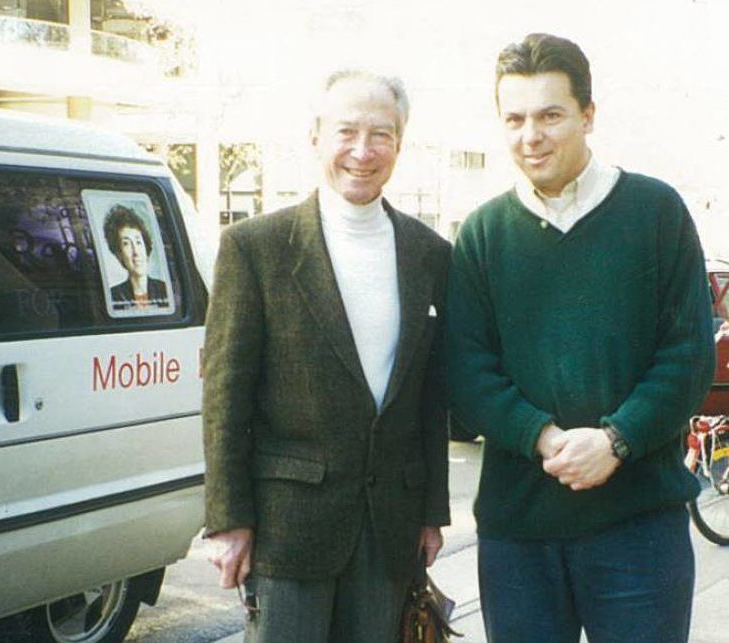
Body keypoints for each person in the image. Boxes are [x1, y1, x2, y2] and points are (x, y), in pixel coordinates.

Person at [445, 33, 715, 643]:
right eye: (514, 119)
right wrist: (542, 437)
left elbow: (688, 355)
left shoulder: (655, 212)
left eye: (550, 115)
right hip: (520, 538)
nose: (531, 136)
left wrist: (617, 440)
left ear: (588, 115)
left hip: (639, 528)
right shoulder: (483, 234)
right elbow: (468, 369)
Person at [202, 69, 451, 643]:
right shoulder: (255, 248)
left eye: (381, 134)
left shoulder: (430, 254)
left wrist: (430, 512)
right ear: (315, 136)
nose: (363, 151)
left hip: (389, 526)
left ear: (400, 143)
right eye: (347, 132)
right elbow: (224, 397)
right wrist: (228, 520)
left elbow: (429, 399)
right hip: (287, 527)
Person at [102, 204, 168, 309]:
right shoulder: (112, 297)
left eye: (138, 242)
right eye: (126, 244)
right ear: (119, 254)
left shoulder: (166, 290)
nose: (136, 252)